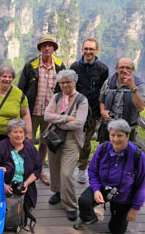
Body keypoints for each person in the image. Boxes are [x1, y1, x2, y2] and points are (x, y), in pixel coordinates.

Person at [74, 119, 145, 233]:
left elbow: (142, 185)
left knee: (116, 229)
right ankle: (89, 218)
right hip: (102, 187)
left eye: (120, 135)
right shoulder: (103, 148)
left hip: (124, 196)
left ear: (127, 136)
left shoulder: (138, 156)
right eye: (113, 135)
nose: (115, 139)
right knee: (84, 201)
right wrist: (96, 190)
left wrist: (135, 208)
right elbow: (92, 171)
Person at [18, 34, 66, 185]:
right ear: (40, 48)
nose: (47, 48)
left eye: (50, 45)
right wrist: (20, 109)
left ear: (53, 48)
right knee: (28, 140)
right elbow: (21, 89)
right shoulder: (30, 65)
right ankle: (28, 169)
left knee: (45, 142)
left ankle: (40, 170)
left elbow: (64, 89)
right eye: (44, 45)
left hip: (50, 113)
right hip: (31, 111)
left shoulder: (59, 66)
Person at [44, 69, 88, 221]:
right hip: (54, 138)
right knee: (54, 169)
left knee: (67, 174)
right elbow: (46, 116)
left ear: (74, 82)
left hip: (71, 140)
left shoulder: (82, 100)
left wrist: (58, 120)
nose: (64, 85)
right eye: (62, 83)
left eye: (67, 82)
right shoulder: (56, 97)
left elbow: (79, 123)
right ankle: (57, 191)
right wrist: (67, 118)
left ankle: (70, 205)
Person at [70, 38, 109, 184]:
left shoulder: (102, 69)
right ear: (82, 49)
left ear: (96, 50)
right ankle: (68, 168)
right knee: (71, 140)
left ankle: (82, 168)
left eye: (91, 49)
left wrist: (101, 110)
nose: (88, 52)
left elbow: (103, 91)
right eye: (86, 49)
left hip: (92, 112)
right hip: (75, 110)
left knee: (86, 142)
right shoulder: (75, 66)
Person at [0, 119, 42, 218]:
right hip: (4, 186)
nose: (19, 135)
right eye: (15, 132)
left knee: (20, 214)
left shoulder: (30, 148)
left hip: (24, 186)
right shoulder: (0, 147)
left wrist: (26, 183)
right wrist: (3, 185)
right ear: (9, 134)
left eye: (21, 132)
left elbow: (38, 169)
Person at [99, 57, 145, 142]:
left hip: (128, 129)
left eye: (128, 68)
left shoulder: (140, 85)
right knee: (105, 153)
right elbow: (102, 100)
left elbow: (140, 107)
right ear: (116, 69)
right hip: (108, 128)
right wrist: (103, 111)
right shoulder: (109, 83)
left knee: (126, 154)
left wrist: (132, 87)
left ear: (133, 69)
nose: (124, 70)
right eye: (122, 67)